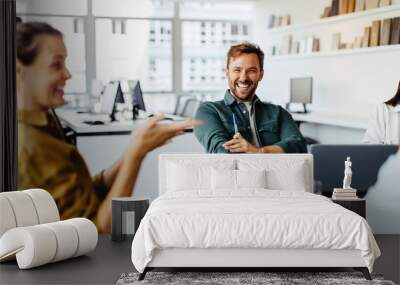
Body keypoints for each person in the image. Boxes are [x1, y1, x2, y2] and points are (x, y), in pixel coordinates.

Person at [16, 22, 197, 233]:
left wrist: (135, 149)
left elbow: (84, 193)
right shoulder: (31, 145)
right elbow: (98, 231)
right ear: (19, 71)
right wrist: (135, 155)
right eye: (56, 65)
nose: (67, 74)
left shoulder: (43, 126)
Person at [194, 42, 306, 154]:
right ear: (227, 73)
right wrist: (273, 151)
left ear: (261, 75)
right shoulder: (208, 111)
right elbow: (220, 151)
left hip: (273, 171)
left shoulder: (278, 113)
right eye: (237, 70)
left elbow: (299, 146)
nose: (243, 78)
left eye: (251, 71)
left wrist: (259, 152)